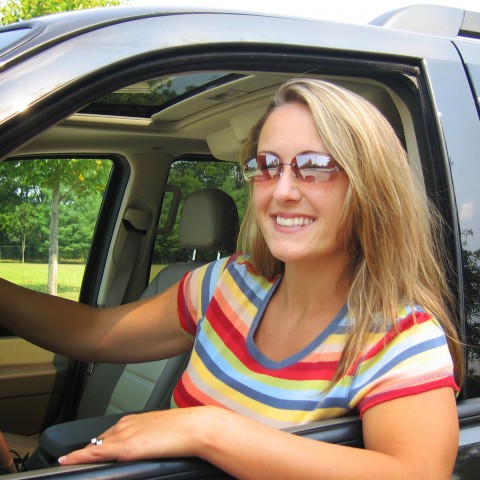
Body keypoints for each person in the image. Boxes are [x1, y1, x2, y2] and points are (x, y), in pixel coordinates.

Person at [0, 78, 463, 479]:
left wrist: (209, 429)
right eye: (266, 166)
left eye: (316, 166)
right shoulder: (230, 282)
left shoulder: (400, 334)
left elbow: (417, 473)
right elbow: (97, 334)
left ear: (369, 185)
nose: (282, 191)